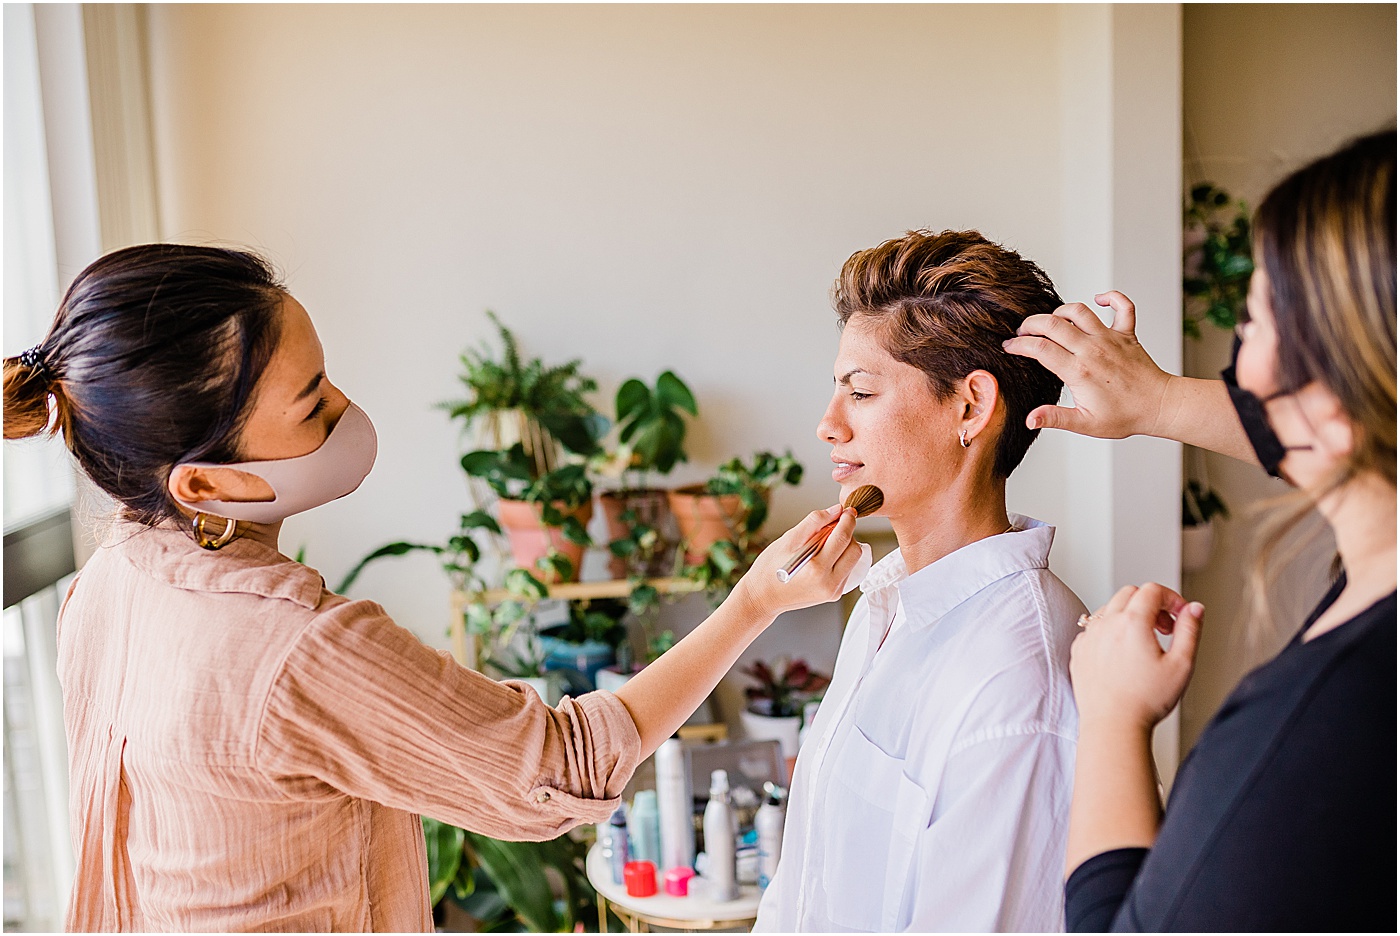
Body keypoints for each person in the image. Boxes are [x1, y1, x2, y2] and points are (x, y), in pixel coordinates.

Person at [1, 243, 863, 932]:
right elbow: (561, 768)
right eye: (309, 403)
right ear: (207, 483)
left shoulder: (106, 583)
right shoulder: (295, 644)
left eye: (326, 373)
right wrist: (754, 602)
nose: (345, 405)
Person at [1004, 129, 1396, 930]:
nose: (1239, 369)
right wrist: (1153, 400)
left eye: (1249, 330)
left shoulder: (1328, 727)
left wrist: (1113, 715)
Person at [755, 229, 1088, 932]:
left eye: (861, 392)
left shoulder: (1018, 685)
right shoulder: (886, 600)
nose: (827, 424)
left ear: (970, 407)